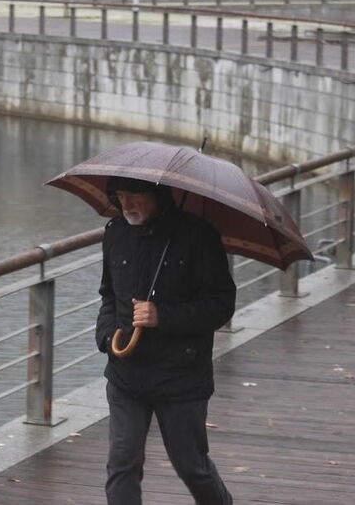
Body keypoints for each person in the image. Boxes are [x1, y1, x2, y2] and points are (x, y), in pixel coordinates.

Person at [95, 176, 235, 505]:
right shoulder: (115, 233)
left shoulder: (198, 236)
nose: (127, 205)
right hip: (126, 375)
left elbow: (221, 305)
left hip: (181, 377)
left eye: (135, 197)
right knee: (122, 463)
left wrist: (163, 316)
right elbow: (109, 295)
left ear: (157, 194)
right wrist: (106, 335)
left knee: (191, 465)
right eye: (120, 197)